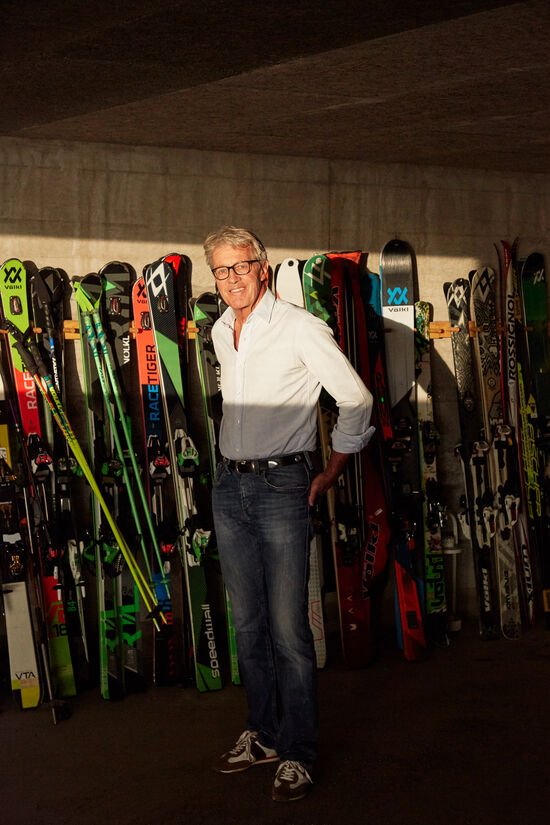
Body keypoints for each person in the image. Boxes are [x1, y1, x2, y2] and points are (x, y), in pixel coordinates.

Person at [203, 226, 375, 802]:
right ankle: (265, 732)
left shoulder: (301, 328)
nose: (231, 280)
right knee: (247, 626)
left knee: (288, 631)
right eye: (220, 270)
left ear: (263, 265)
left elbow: (355, 399)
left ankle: (298, 752)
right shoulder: (221, 331)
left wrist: (333, 470)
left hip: (282, 486)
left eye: (239, 267)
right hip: (229, 486)